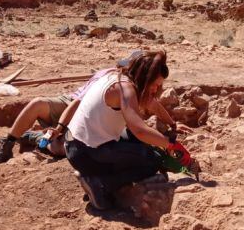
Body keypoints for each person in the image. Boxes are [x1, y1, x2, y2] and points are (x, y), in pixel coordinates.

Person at [0, 51, 189, 166]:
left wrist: (171, 123)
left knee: (63, 147)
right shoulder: (114, 79)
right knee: (38, 105)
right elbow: (78, 103)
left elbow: (152, 103)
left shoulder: (130, 84)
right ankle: (9, 143)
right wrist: (62, 127)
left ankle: (35, 137)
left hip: (89, 117)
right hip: (70, 105)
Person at [64, 50, 183, 210]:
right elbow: (140, 130)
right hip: (85, 153)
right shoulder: (126, 89)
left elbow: (152, 103)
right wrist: (171, 145)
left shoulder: (115, 76)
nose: (156, 89)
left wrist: (172, 124)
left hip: (75, 143)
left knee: (143, 147)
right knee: (151, 161)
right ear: (145, 78)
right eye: (155, 85)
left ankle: (96, 176)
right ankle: (100, 184)